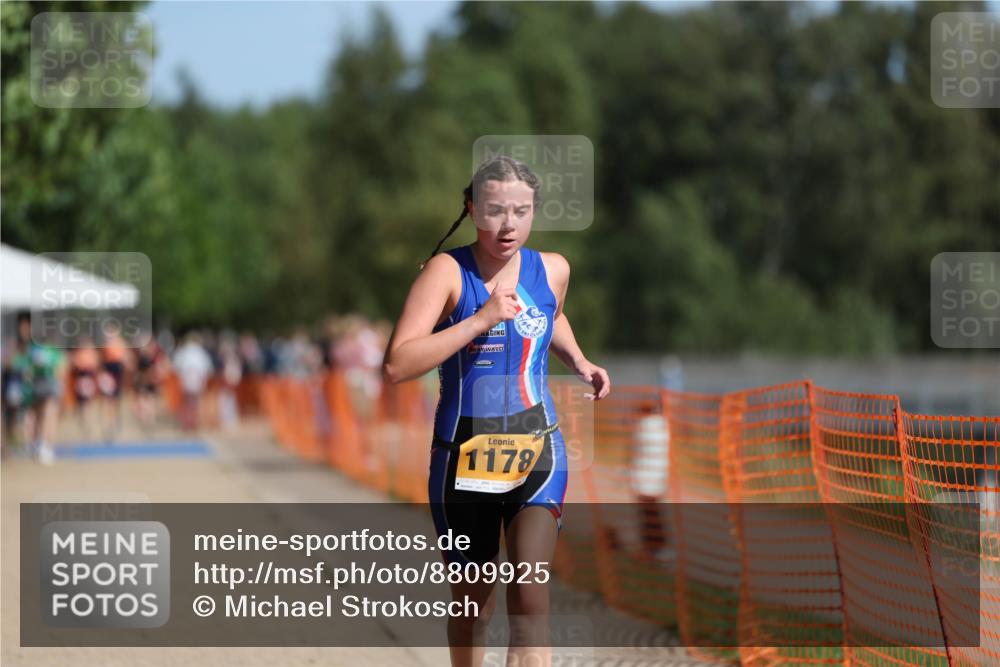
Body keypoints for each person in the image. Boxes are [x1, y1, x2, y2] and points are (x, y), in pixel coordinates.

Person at [382, 155, 611, 667]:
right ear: (471, 209)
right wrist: (479, 319)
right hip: (463, 458)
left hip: (537, 449)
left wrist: (578, 359)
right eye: (495, 210)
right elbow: (397, 364)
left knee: (531, 600)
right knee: (473, 607)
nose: (508, 224)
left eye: (521, 211)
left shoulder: (553, 268)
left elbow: (550, 314)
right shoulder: (447, 273)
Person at [172, 331, 214, 431]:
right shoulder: (200, 352)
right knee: (194, 403)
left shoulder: (184, 351)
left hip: (186, 379)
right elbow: (208, 368)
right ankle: (192, 422)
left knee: (187, 402)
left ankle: (188, 423)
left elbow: (176, 366)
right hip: (196, 380)